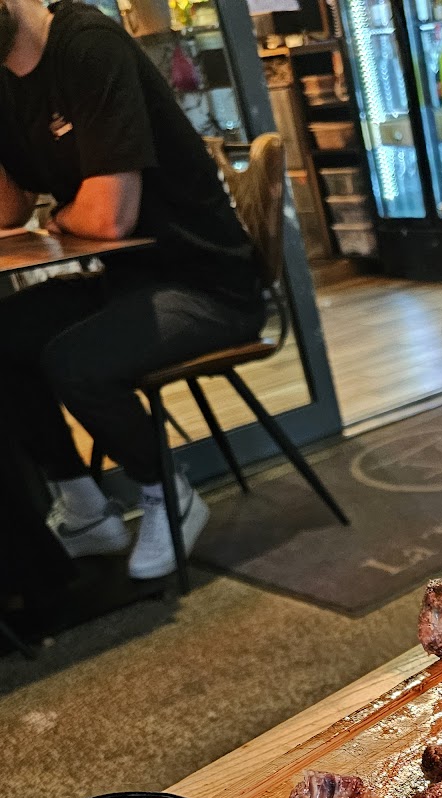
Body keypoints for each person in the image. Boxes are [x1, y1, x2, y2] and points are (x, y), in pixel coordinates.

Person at [0, 0, 264, 580]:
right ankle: (86, 508)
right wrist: (61, 213)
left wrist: (62, 216)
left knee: (74, 362)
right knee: (7, 338)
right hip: (128, 280)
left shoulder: (88, 46)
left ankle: (167, 492)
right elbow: (11, 209)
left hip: (210, 285)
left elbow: (109, 217)